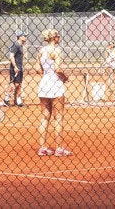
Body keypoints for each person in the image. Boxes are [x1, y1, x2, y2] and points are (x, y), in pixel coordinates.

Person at [35, 28, 70, 157]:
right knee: (58, 117)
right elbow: (58, 69)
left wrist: (46, 74)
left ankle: (42, 148)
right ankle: (59, 148)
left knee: (45, 117)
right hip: (55, 84)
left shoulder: (41, 51)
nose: (59, 38)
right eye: (58, 36)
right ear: (54, 37)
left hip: (44, 83)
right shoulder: (57, 50)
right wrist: (65, 78)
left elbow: (38, 68)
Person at [7, 33, 27, 108]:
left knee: (19, 84)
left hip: (19, 68)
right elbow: (11, 56)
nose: (25, 37)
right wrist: (15, 66)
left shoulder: (21, 45)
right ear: (20, 37)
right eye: (24, 36)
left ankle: (17, 100)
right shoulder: (16, 45)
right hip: (15, 68)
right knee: (15, 84)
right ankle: (7, 99)